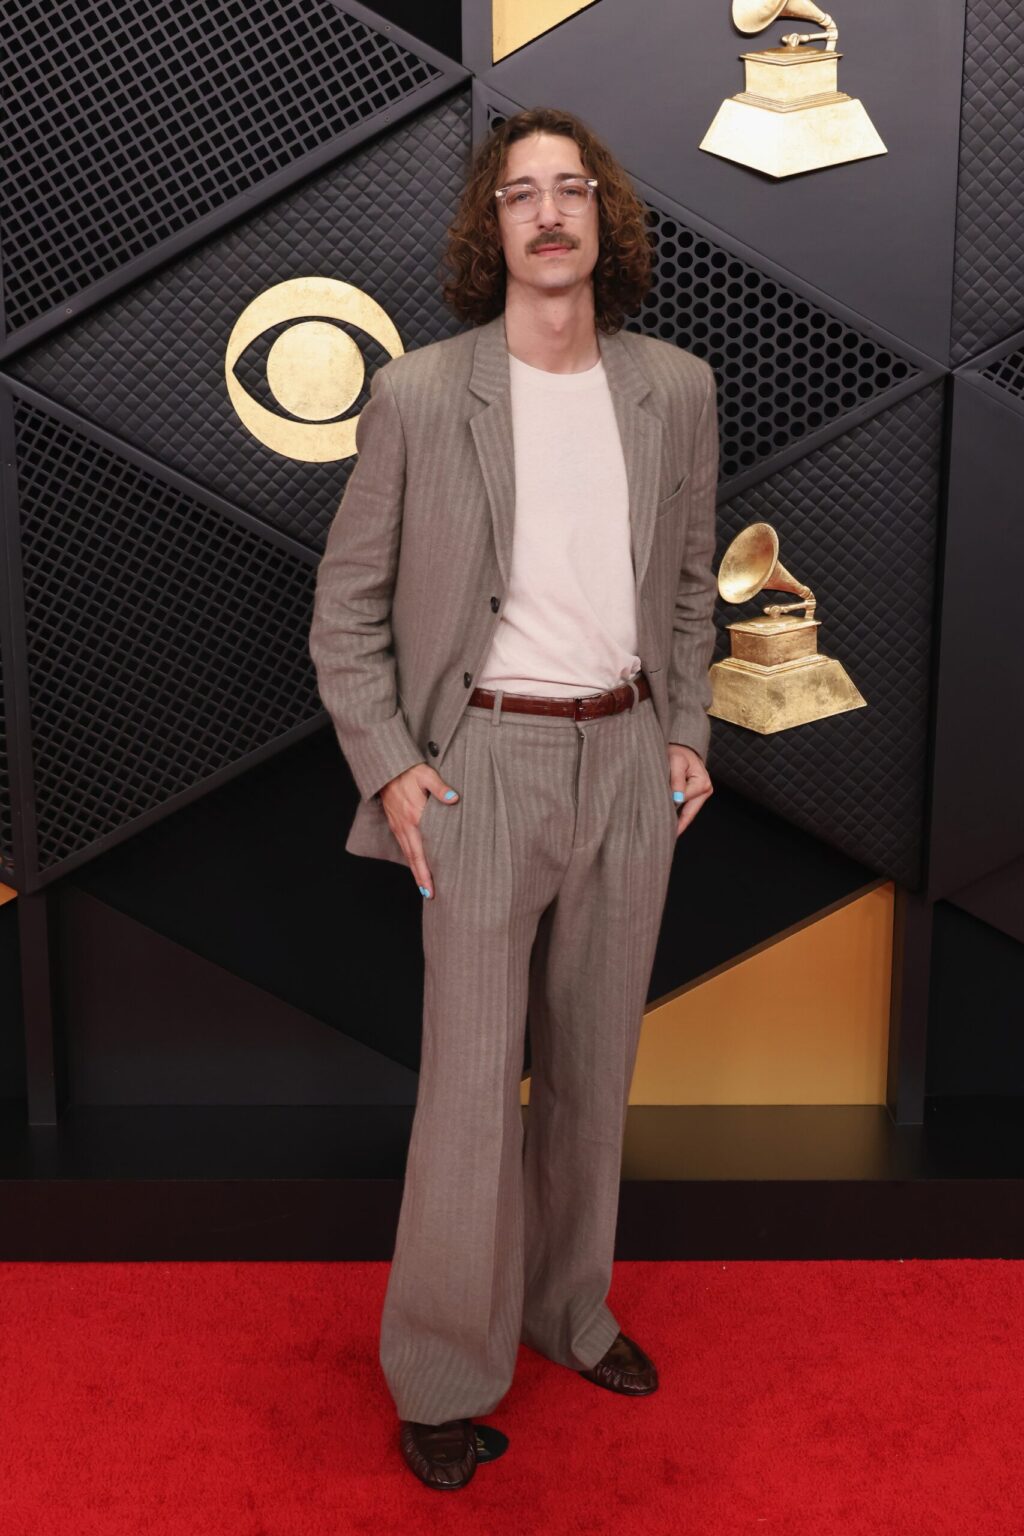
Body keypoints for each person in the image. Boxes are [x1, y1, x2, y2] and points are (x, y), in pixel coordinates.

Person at [308, 105, 719, 1491]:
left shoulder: (677, 386)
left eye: (572, 191)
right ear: (493, 231)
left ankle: (568, 1310)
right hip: (483, 768)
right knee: (474, 1095)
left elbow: (684, 585)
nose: (549, 214)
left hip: (628, 763)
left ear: (606, 219)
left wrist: (687, 727)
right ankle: (439, 1373)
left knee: (596, 1075)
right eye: (520, 195)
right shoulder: (425, 393)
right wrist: (394, 766)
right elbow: (343, 614)